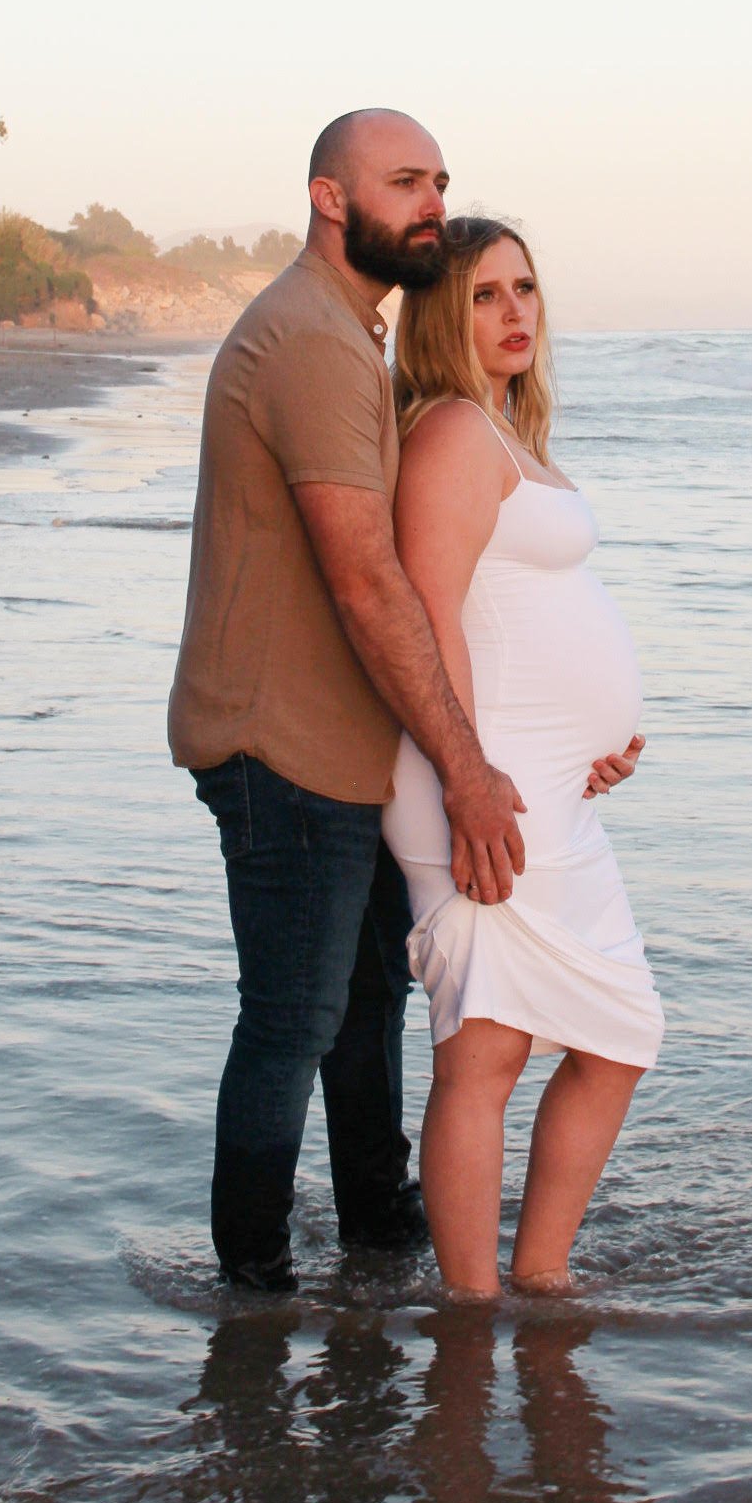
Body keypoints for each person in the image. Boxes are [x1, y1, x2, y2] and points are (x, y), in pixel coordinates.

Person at [168, 112, 527, 1292]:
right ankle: (254, 1296)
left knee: (362, 1011)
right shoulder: (313, 342)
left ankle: (379, 1235)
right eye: (405, 182)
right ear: (330, 198)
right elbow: (367, 580)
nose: (431, 203)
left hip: (342, 750)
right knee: (293, 1023)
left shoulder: (343, 336)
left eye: (440, 184)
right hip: (281, 745)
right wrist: (467, 770)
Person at [383, 216, 663, 1296]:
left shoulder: (507, 435)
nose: (515, 314)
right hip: (477, 780)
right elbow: (429, 617)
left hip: (541, 783)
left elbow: (531, 612)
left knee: (617, 1035)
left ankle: (537, 1277)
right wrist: (471, 782)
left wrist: (601, 735)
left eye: (526, 289)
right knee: (487, 1049)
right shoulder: (454, 432)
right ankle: (475, 1299)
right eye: (487, 295)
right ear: (444, 317)